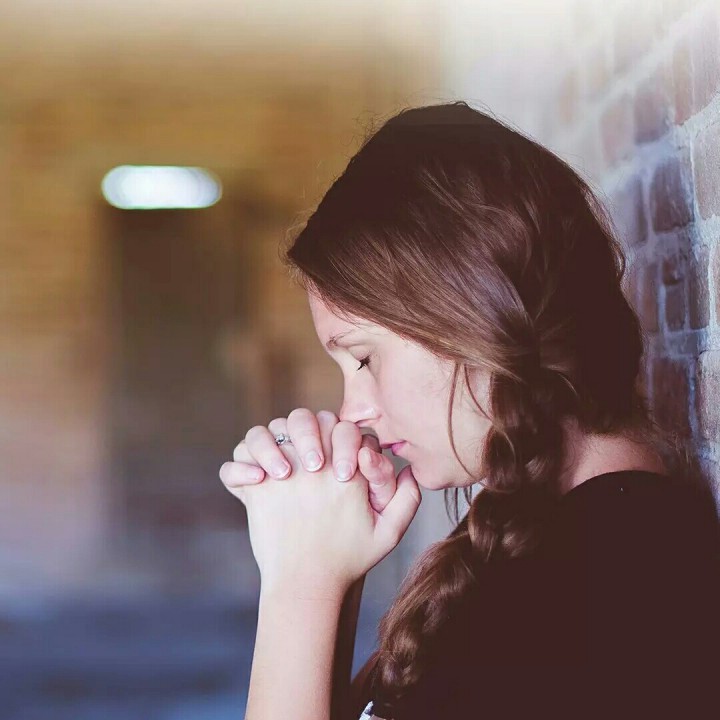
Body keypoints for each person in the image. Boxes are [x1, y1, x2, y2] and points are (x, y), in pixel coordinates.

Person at [219, 101, 720, 720]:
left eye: (364, 358)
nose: (352, 413)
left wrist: (299, 588)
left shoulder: (606, 592)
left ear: (471, 316)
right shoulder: (539, 550)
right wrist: (331, 570)